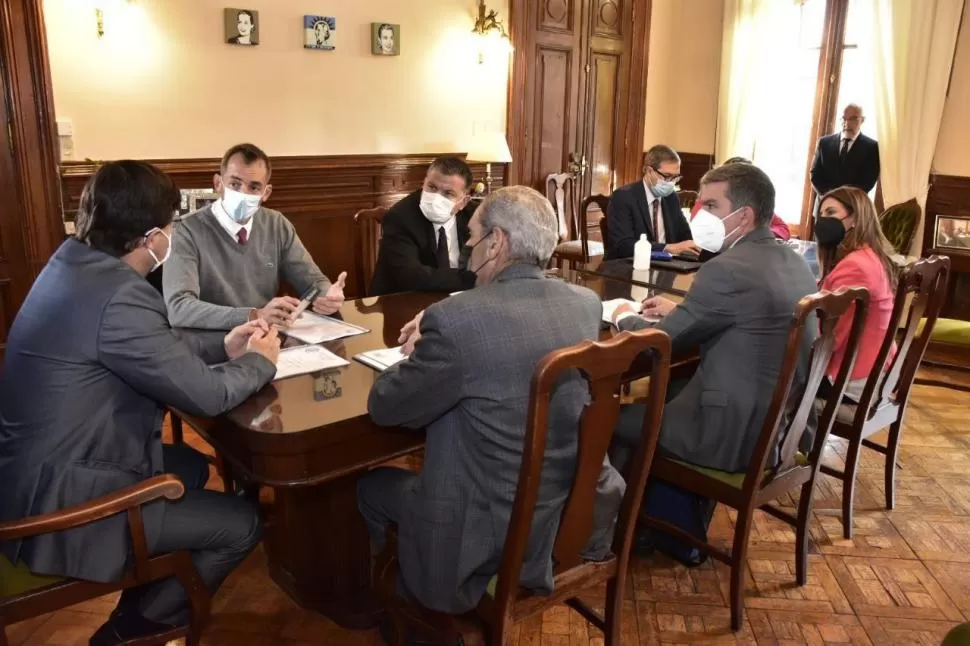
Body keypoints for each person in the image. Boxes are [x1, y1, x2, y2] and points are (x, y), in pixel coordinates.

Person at [0, 161, 280, 645]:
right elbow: (208, 396)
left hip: (35, 471)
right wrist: (260, 362)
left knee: (189, 467)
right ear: (152, 237)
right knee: (242, 524)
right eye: (171, 226)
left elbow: (149, 347)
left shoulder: (72, 264)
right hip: (60, 505)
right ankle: (132, 630)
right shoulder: (120, 296)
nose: (172, 236)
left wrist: (224, 346)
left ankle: (149, 587)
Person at [358, 186, 625, 616]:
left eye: (472, 239)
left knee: (370, 487)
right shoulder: (584, 304)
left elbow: (387, 407)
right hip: (563, 512)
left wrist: (415, 351)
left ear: (496, 242)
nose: (466, 250)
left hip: (478, 534)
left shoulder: (455, 320)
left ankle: (397, 607)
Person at [612, 162, 817, 474]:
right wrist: (681, 310)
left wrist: (623, 316)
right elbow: (742, 315)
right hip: (780, 428)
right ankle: (663, 517)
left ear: (745, 215)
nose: (700, 214)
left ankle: (622, 519)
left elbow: (660, 343)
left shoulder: (726, 268)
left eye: (710, 205)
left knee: (607, 418)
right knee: (675, 387)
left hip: (731, 437)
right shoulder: (795, 261)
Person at [164, 143, 347, 330]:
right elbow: (179, 308)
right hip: (209, 345)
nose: (243, 193)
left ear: (265, 193)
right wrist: (253, 315)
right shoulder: (185, 230)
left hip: (265, 339)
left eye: (254, 187)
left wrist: (327, 296)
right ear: (218, 184)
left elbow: (313, 281)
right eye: (235, 184)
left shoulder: (276, 224)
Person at [815, 186, 897, 402]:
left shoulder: (855, 267)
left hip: (852, 381)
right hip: (875, 372)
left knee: (770, 382)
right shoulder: (868, 256)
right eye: (821, 214)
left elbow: (831, 338)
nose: (822, 221)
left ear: (855, 219)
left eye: (831, 213)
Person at [369, 157, 478, 296]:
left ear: (464, 201)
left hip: (459, 298)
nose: (436, 198)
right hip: (403, 299)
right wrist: (471, 278)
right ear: (423, 184)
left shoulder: (477, 217)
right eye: (432, 187)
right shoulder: (400, 216)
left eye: (448, 193)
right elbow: (411, 276)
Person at [604, 144, 699, 260]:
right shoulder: (623, 197)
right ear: (649, 171)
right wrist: (666, 248)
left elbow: (684, 235)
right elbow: (623, 245)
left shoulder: (671, 197)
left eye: (675, 178)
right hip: (630, 265)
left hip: (668, 267)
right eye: (667, 176)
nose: (671, 183)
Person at [690, 157, 791, 241]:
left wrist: (757, 233)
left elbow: (783, 229)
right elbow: (696, 227)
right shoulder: (706, 201)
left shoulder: (754, 203)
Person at [810, 104, 880, 213]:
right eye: (843, 119)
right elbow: (815, 174)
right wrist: (829, 197)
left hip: (851, 209)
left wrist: (844, 200)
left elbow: (868, 181)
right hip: (824, 206)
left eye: (852, 119)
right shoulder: (824, 143)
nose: (846, 123)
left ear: (862, 120)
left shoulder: (872, 147)